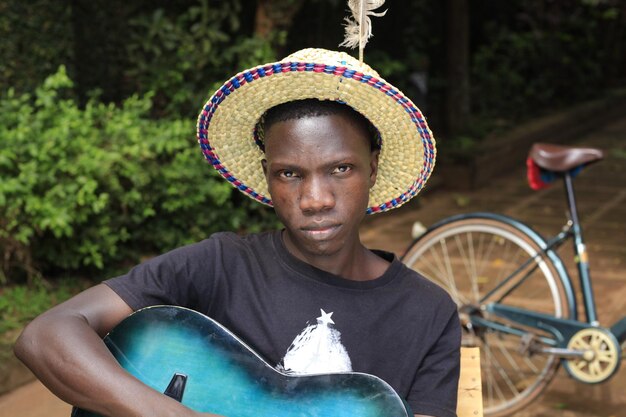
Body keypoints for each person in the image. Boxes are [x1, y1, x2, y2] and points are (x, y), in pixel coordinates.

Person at [14, 48, 460, 417]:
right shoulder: (221, 265)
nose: (316, 198)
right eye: (290, 174)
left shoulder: (427, 314)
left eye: (340, 169)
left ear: (373, 169)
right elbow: (46, 335)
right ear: (267, 177)